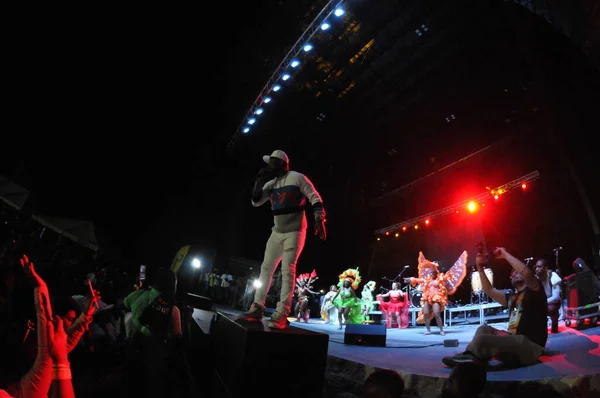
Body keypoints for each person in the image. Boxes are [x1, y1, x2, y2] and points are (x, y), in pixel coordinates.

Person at [242, 150, 327, 329]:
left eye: (272, 162)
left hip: (295, 231)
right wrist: (259, 181)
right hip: (277, 232)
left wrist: (319, 219)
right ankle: (257, 306)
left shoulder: (297, 177)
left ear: (282, 163)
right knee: (266, 268)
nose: (268, 166)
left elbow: (314, 196)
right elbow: (256, 202)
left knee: (287, 269)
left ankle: (282, 312)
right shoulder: (271, 184)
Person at [442, 247, 548, 368]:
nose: (514, 273)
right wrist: (479, 266)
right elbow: (489, 290)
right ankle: (471, 355)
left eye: (516, 271)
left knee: (483, 340)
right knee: (483, 329)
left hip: (530, 345)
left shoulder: (535, 290)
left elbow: (526, 273)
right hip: (514, 339)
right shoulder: (512, 297)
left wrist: (506, 255)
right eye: (512, 272)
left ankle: (472, 358)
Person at [405, 251, 468, 336]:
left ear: (436, 271)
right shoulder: (428, 279)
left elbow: (449, 276)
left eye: (433, 271)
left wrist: (451, 274)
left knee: (437, 314)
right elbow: (418, 280)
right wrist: (410, 279)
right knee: (426, 313)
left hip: (437, 296)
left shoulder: (440, 278)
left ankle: (441, 330)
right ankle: (428, 330)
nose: (431, 272)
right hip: (428, 297)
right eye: (430, 271)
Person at [534, 258, 562, 334]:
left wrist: (542, 303)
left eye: (539, 267)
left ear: (546, 268)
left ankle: (554, 321)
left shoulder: (553, 276)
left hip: (552, 303)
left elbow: (555, 298)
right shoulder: (535, 279)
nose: (536, 269)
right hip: (541, 302)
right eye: (536, 267)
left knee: (551, 309)